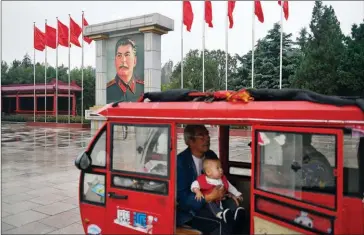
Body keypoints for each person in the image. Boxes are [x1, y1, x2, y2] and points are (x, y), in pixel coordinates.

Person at [177, 125, 245, 235]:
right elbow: (184, 200)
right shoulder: (181, 162)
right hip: (191, 212)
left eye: (207, 134)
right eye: (201, 136)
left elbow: (221, 178)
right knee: (223, 223)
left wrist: (229, 193)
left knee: (238, 216)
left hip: (215, 202)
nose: (207, 138)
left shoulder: (210, 155)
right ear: (190, 141)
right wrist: (209, 197)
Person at [191, 157, 243, 223]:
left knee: (230, 200)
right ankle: (219, 214)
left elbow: (230, 187)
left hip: (221, 199)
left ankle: (235, 211)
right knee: (210, 203)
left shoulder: (222, 179)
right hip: (210, 201)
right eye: (218, 168)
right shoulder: (202, 179)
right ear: (208, 172)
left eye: (221, 167)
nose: (221, 170)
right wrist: (197, 191)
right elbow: (194, 185)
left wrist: (237, 194)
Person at [107, 38, 144, 103]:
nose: (123, 60)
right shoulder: (107, 90)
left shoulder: (143, 88)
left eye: (127, 55)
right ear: (115, 61)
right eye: (119, 55)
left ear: (135, 61)